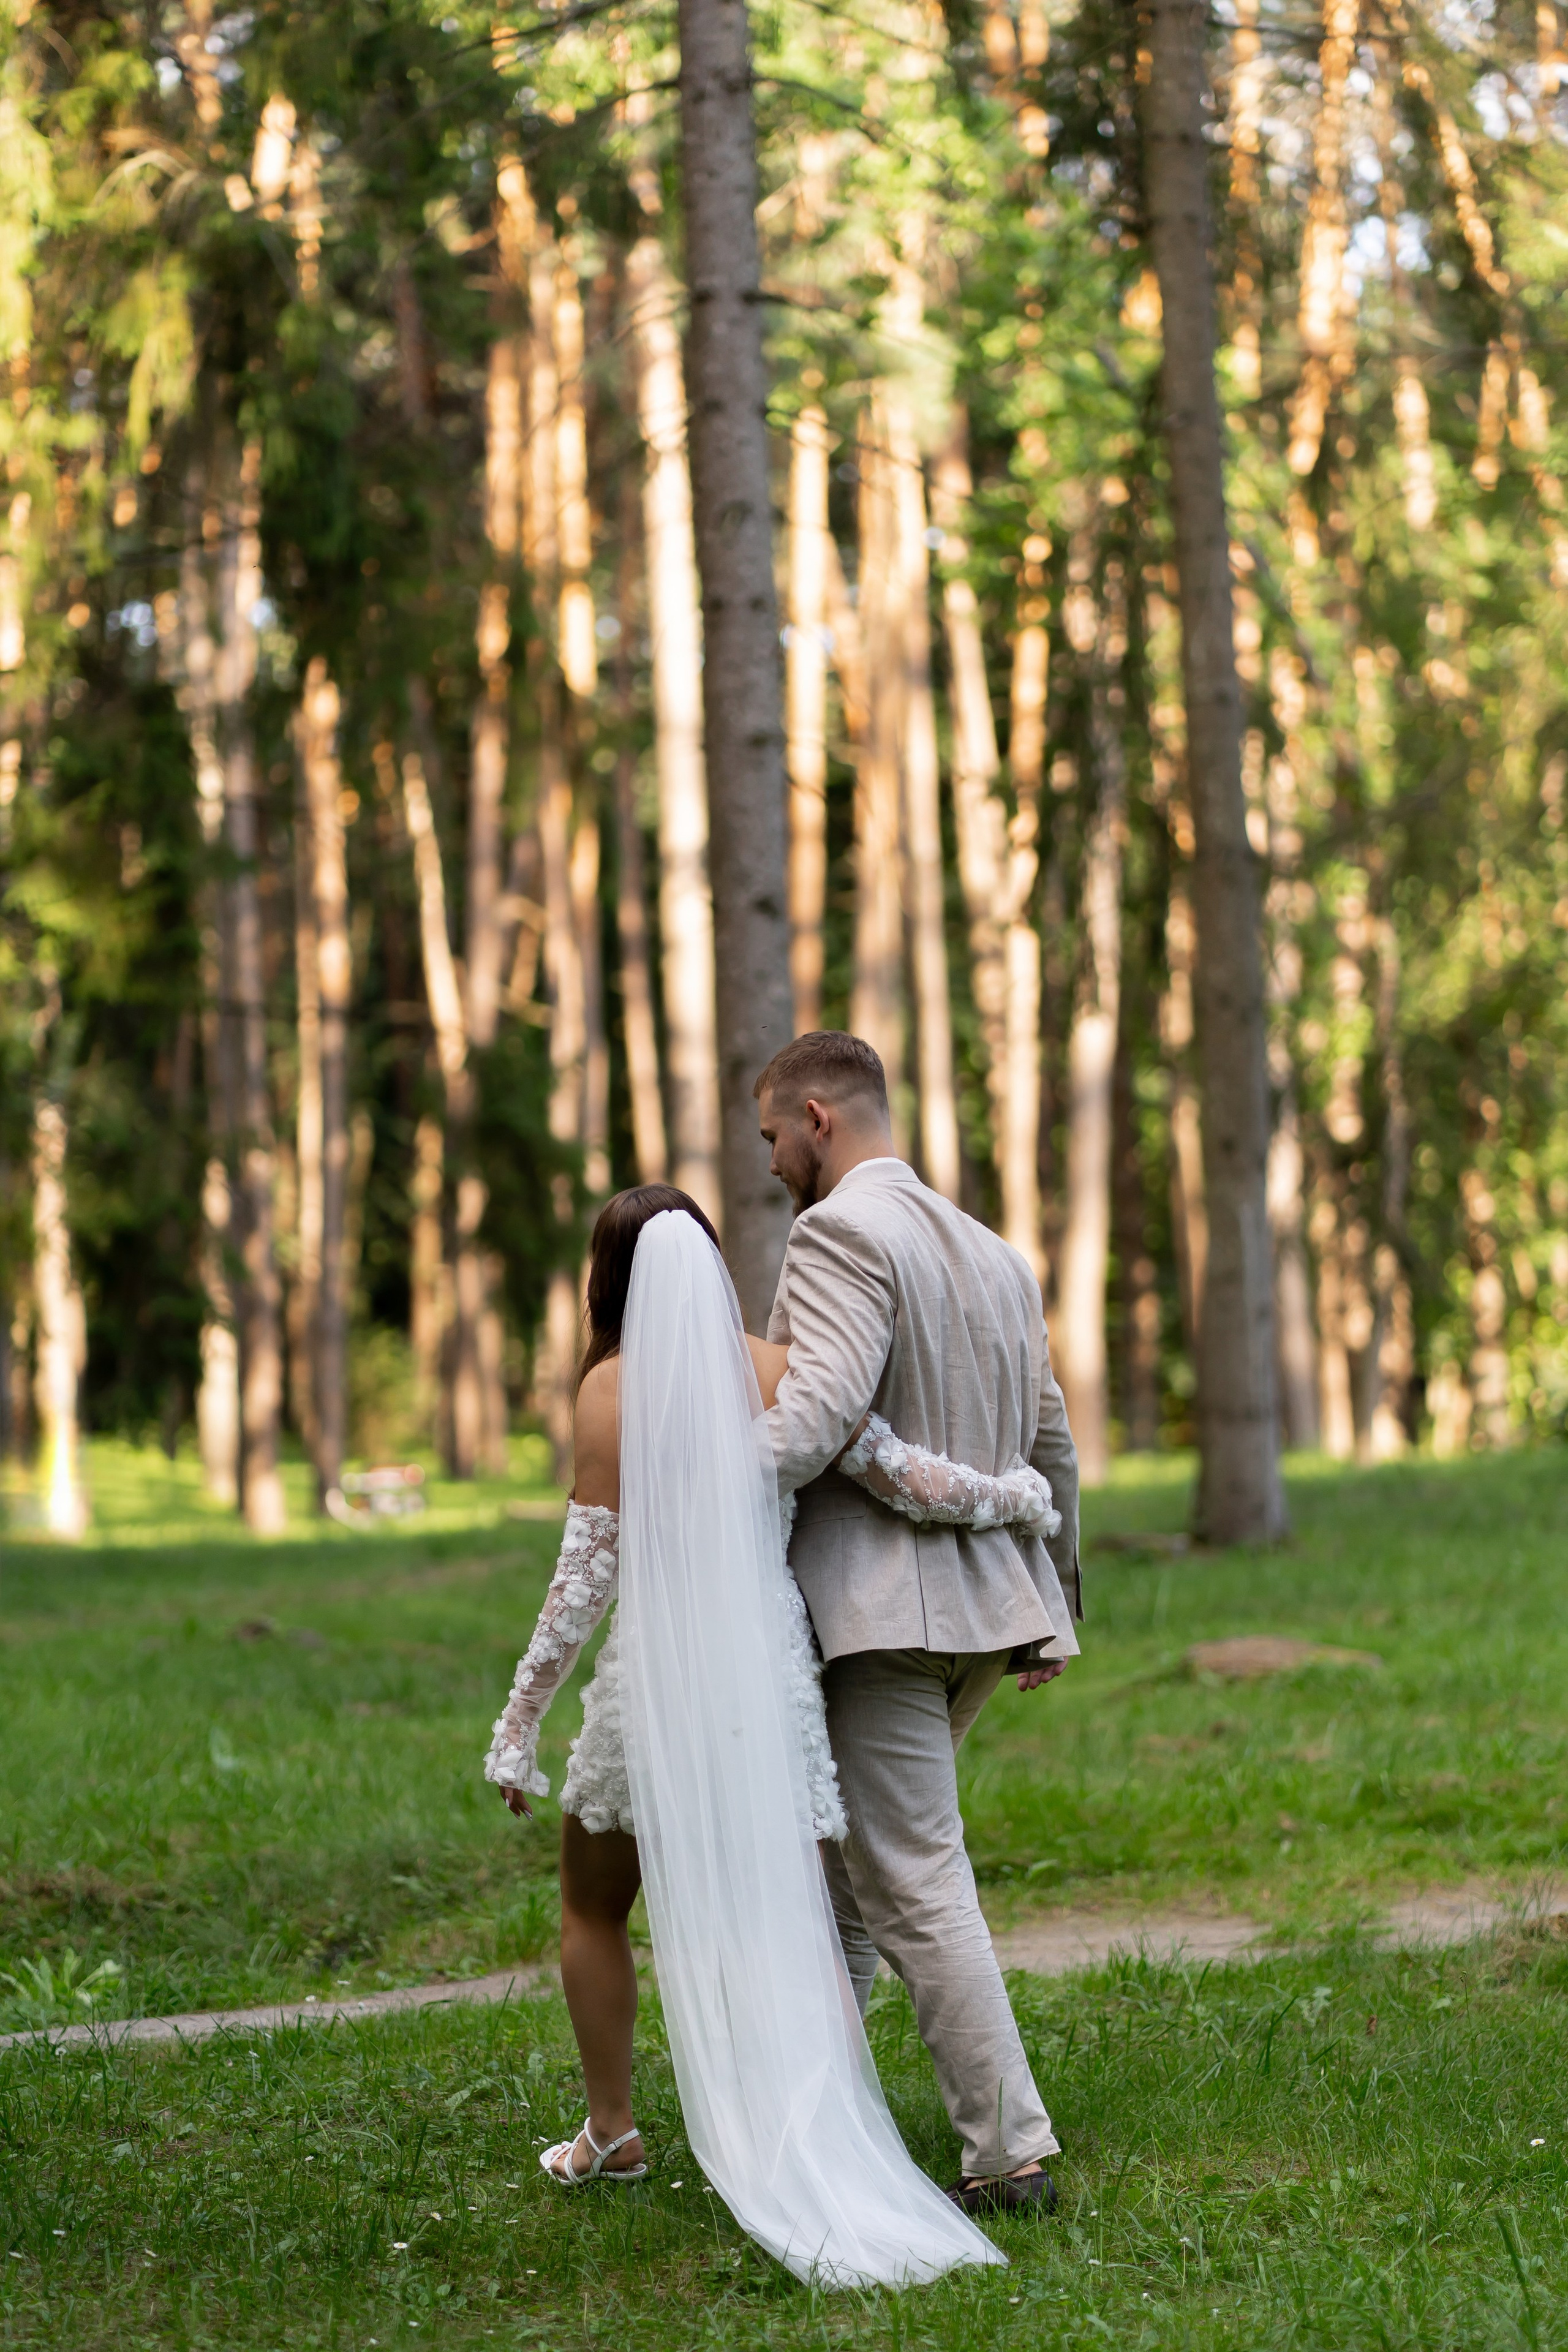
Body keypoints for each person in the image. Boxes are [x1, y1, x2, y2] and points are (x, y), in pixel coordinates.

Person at [484, 1186, 1061, 2284]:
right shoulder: (778, 1367)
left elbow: (582, 1583)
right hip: (777, 1685)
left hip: (656, 1684)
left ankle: (611, 2130)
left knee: (591, 1904)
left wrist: (519, 1725)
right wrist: (1017, 1498)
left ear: (607, 1280)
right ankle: (833, 2128)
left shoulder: (607, 1392)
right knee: (799, 1922)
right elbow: (902, 1475)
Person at [756, 1030, 1080, 2218]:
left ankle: (1009, 2156)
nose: (771, 1163)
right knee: (846, 1881)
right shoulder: (993, 1252)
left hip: (882, 1616)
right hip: (986, 1611)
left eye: (771, 1137)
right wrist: (1056, 1601)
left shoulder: (837, 1232)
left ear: (817, 1117)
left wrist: (686, 1479)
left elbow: (815, 1417)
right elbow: (1050, 1439)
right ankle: (815, 2122)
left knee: (910, 1877)